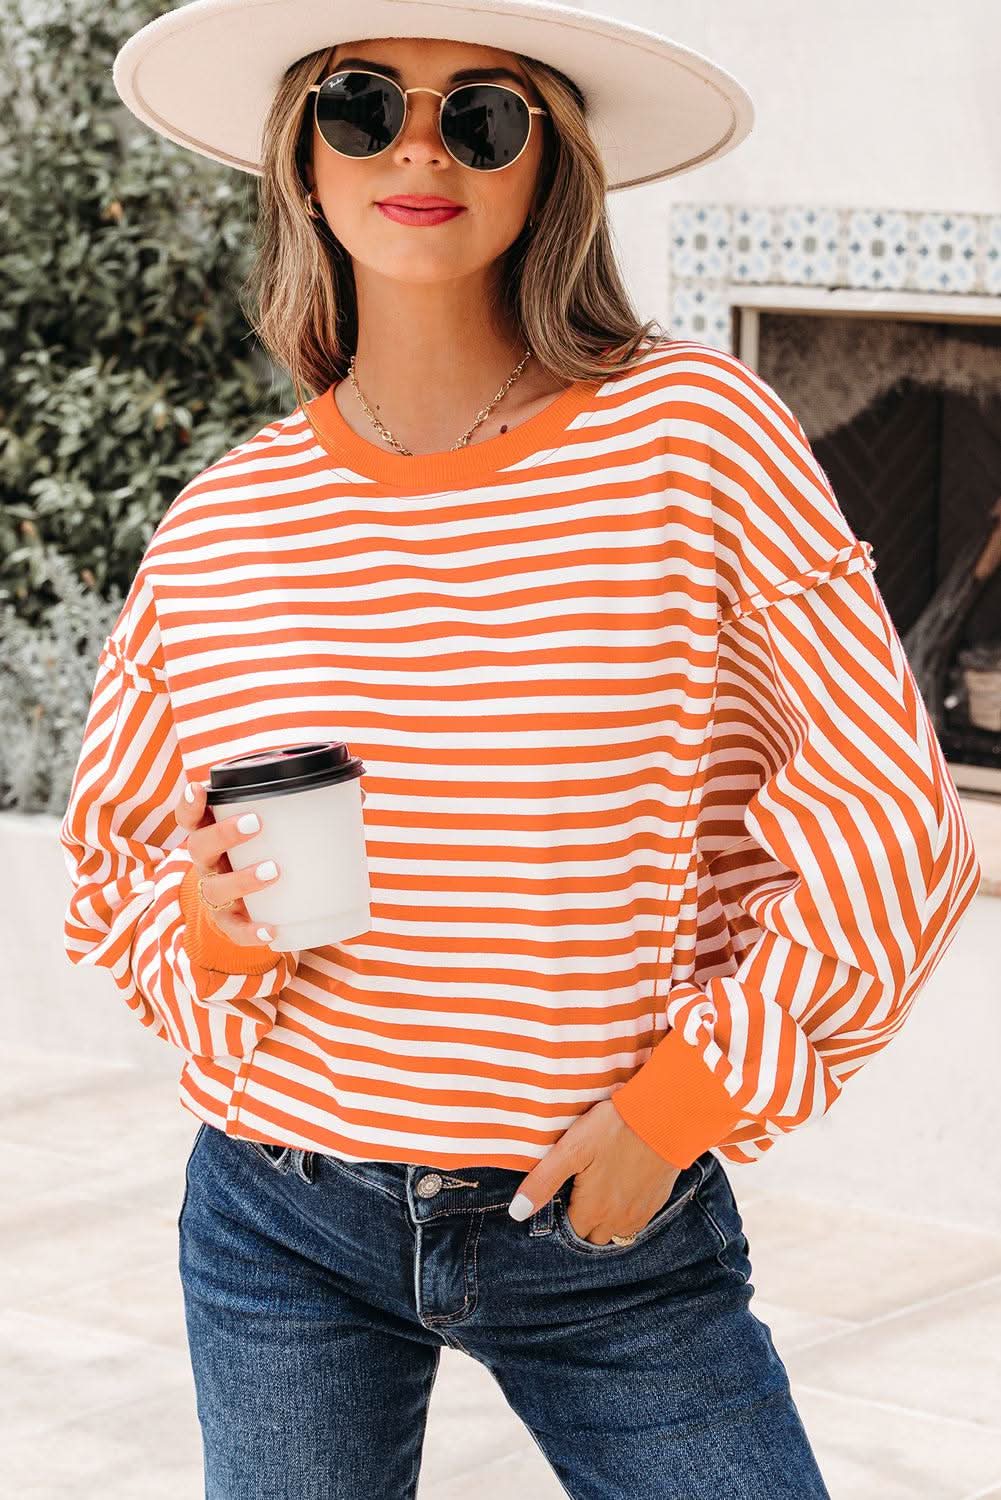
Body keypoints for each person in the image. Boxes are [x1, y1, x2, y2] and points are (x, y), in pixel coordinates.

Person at [60, 2, 981, 1496]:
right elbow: (115, 872)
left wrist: (674, 1110)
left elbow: (893, 831)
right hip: (279, 1212)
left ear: (550, 168)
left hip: (602, 1218)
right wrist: (213, 934)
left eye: (482, 115)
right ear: (301, 158)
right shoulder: (224, 527)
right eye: (363, 106)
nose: (419, 144)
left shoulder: (693, 437)